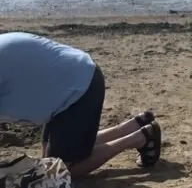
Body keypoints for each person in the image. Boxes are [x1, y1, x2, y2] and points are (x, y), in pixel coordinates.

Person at [0, 32, 162, 177]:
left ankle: (140, 138)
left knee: (60, 171)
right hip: (73, 80)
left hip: (77, 91)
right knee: (49, 161)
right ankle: (133, 127)